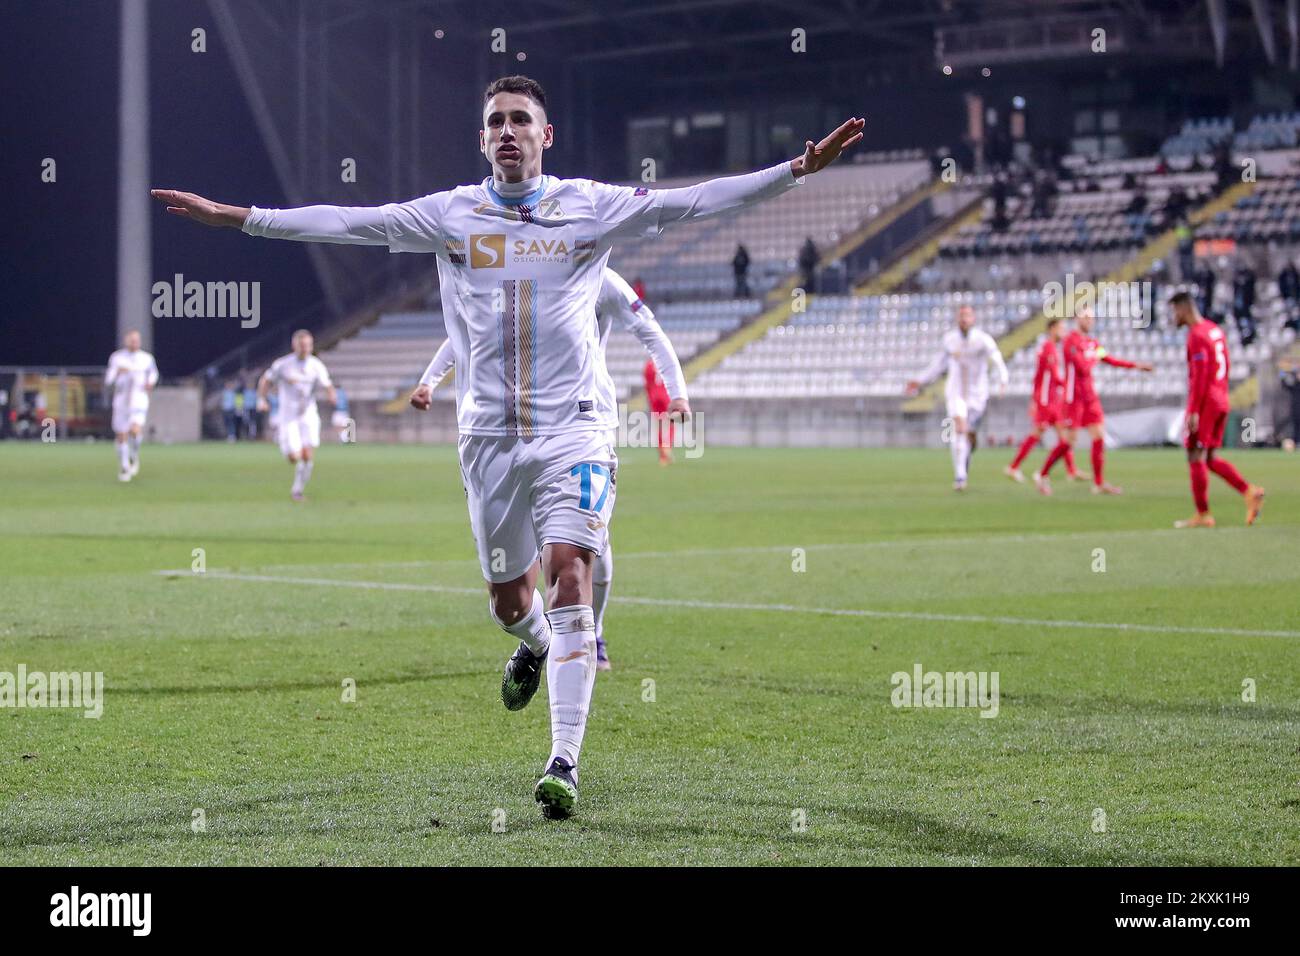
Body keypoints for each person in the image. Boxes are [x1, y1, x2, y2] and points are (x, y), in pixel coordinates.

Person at [153, 74, 862, 820]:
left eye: (522, 119)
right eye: (495, 121)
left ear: (545, 137)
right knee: (507, 599)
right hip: (487, 439)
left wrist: (794, 171)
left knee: (570, 578)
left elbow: (695, 200)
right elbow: (347, 222)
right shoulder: (450, 216)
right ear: (483, 139)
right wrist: (237, 219)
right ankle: (534, 645)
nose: (508, 131)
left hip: (576, 428)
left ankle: (563, 761)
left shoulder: (589, 207)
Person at [411, 266, 689, 674]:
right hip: (522, 430)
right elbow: (473, 331)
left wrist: (678, 393)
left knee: (591, 546)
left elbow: (648, 329)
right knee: (529, 554)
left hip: (585, 428)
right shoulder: (530, 274)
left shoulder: (602, 280)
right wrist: (429, 381)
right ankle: (541, 635)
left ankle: (592, 634)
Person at [1168, 292, 1265, 527]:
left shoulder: (1197, 336)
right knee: (1209, 458)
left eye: (1174, 311)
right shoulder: (1215, 330)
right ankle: (1248, 491)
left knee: (1194, 454)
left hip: (1207, 402)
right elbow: (1226, 364)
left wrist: (1193, 411)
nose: (1173, 317)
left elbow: (1200, 377)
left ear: (1183, 309)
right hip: (1221, 397)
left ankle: (1203, 514)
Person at [1037, 307, 1153, 494]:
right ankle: (1042, 475)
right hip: (1073, 398)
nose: (1090, 321)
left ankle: (1099, 483)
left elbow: (1109, 359)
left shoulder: (1092, 343)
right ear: (1077, 319)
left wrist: (1137, 366)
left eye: (1091, 317)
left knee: (1099, 436)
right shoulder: (1070, 342)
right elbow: (1082, 367)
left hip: (1090, 397)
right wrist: (1093, 357)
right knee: (1068, 442)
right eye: (1086, 317)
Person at [906, 305, 1009, 491]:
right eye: (961, 316)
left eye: (967, 315)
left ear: (974, 318)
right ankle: (960, 476)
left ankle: (967, 454)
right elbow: (938, 365)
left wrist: (1003, 378)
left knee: (968, 435)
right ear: (957, 319)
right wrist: (919, 380)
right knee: (958, 429)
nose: (964, 319)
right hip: (956, 392)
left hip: (977, 394)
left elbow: (996, 357)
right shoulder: (949, 340)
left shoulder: (982, 339)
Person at [256, 330, 336, 501]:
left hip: (308, 415)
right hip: (288, 416)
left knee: (307, 455)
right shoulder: (283, 365)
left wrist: (331, 394)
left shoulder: (316, 365)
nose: (305, 348)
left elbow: (328, 383)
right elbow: (265, 380)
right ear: (294, 346)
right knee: (294, 457)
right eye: (302, 345)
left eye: (308, 345)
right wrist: (261, 399)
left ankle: (297, 490)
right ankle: (286, 446)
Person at [1004, 317, 1077, 491]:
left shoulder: (1049, 348)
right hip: (1046, 400)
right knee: (1041, 433)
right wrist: (1070, 386)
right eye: (1061, 328)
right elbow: (1050, 376)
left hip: (1051, 399)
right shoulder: (1048, 348)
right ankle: (1014, 467)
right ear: (1052, 329)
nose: (1064, 332)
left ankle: (1071, 470)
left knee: (1062, 435)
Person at [104, 330, 158, 482]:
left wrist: (150, 383)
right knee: (121, 434)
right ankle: (124, 466)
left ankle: (134, 454)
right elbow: (108, 379)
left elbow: (153, 374)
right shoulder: (117, 358)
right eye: (131, 340)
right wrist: (118, 373)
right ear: (126, 341)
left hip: (138, 399)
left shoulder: (146, 358)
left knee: (135, 430)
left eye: (136, 340)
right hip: (121, 400)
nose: (134, 343)